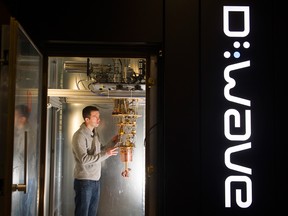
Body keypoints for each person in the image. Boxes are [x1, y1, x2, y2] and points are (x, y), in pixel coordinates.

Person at [72, 105, 119, 216]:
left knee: (92, 213)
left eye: (98, 116)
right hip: (84, 181)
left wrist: (112, 142)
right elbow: (84, 159)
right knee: (82, 213)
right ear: (87, 119)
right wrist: (106, 154)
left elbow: (100, 151)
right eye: (95, 116)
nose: (99, 119)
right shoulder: (79, 136)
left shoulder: (95, 134)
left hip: (95, 180)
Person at [12, 104, 37, 216]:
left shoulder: (27, 134)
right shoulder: (19, 132)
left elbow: (21, 156)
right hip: (22, 175)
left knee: (22, 210)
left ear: (22, 119)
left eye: (15, 116)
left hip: (25, 177)